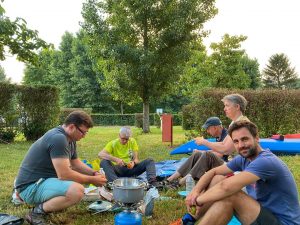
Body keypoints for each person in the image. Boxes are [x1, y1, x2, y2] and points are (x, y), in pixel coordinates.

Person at [185, 121, 300, 225]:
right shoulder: (244, 158)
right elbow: (214, 171)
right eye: (236, 141)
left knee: (231, 195)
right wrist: (195, 192)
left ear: (256, 138)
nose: (240, 145)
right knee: (218, 178)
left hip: (282, 222)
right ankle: (189, 219)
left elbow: (226, 187)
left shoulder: (266, 161)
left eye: (245, 139)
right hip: (262, 214)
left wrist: (198, 200)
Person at [15, 111, 107, 225]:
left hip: (38, 182)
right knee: (77, 190)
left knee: (78, 180)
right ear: (72, 127)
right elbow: (64, 175)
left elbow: (75, 163)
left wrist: (93, 173)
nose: (84, 136)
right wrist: (92, 180)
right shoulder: (58, 138)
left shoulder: (70, 139)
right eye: (83, 132)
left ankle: (50, 203)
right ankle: (35, 213)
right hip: (30, 187)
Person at [166, 117, 228, 187]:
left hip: (227, 166)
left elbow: (220, 154)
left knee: (206, 155)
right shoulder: (219, 136)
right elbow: (216, 150)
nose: (207, 131)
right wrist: (200, 151)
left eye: (208, 129)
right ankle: (170, 179)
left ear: (215, 128)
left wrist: (204, 145)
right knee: (197, 154)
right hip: (219, 162)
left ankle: (180, 183)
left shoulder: (226, 136)